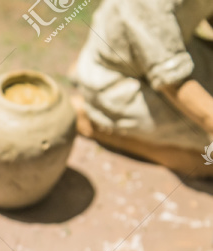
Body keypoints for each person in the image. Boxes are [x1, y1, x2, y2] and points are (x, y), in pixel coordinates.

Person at [73, 0, 213, 176]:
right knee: (207, 158)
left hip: (178, 52)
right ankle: (93, 124)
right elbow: (173, 82)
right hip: (123, 80)